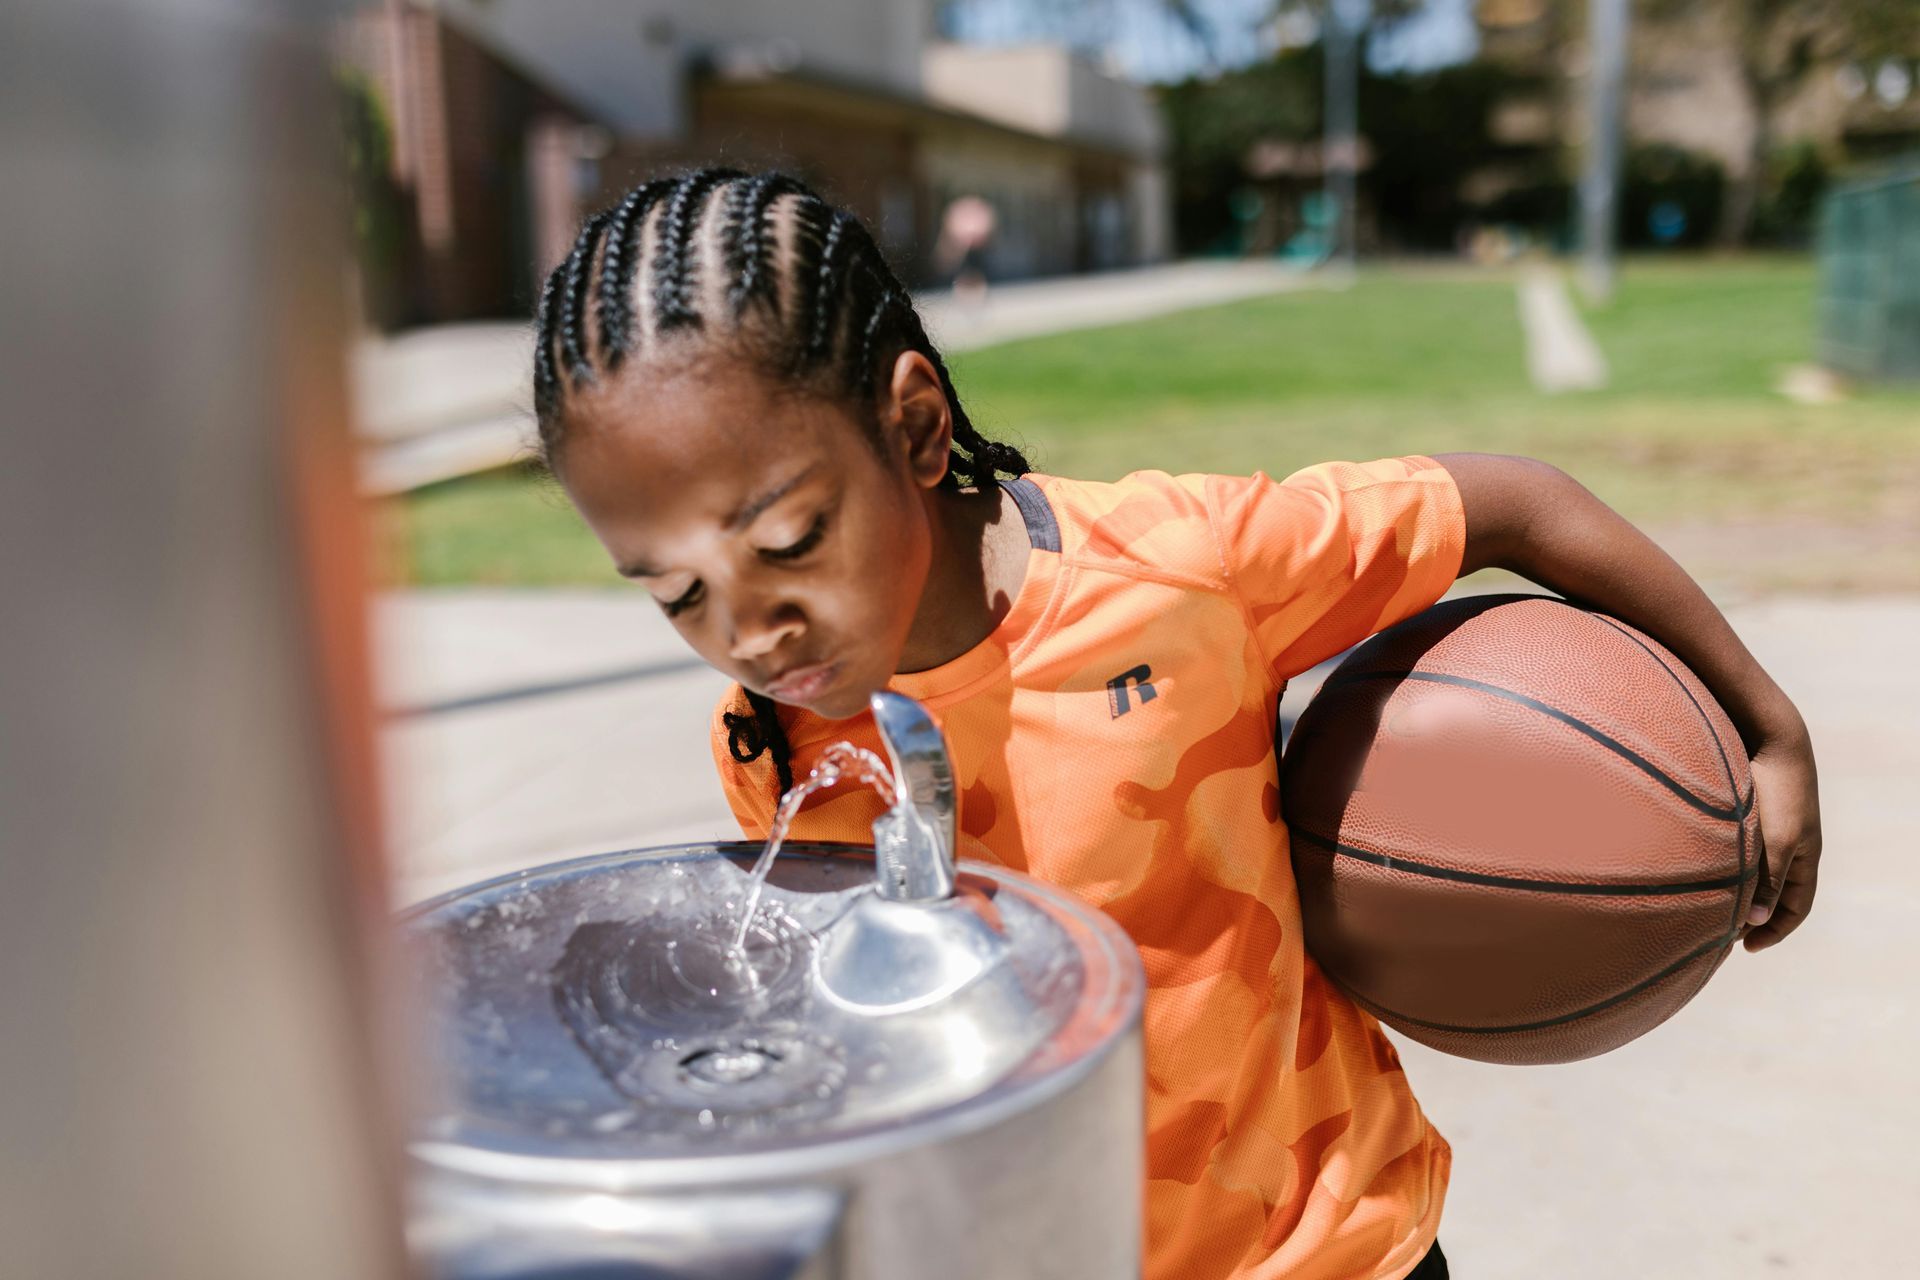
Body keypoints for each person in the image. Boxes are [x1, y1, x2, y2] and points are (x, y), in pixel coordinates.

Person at [529, 168, 1822, 1280]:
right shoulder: (781, 746)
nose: (751, 631)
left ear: (916, 427)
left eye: (790, 541)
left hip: (1333, 1248)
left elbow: (1521, 508)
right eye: (678, 592)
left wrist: (1769, 734)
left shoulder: (1181, 570)